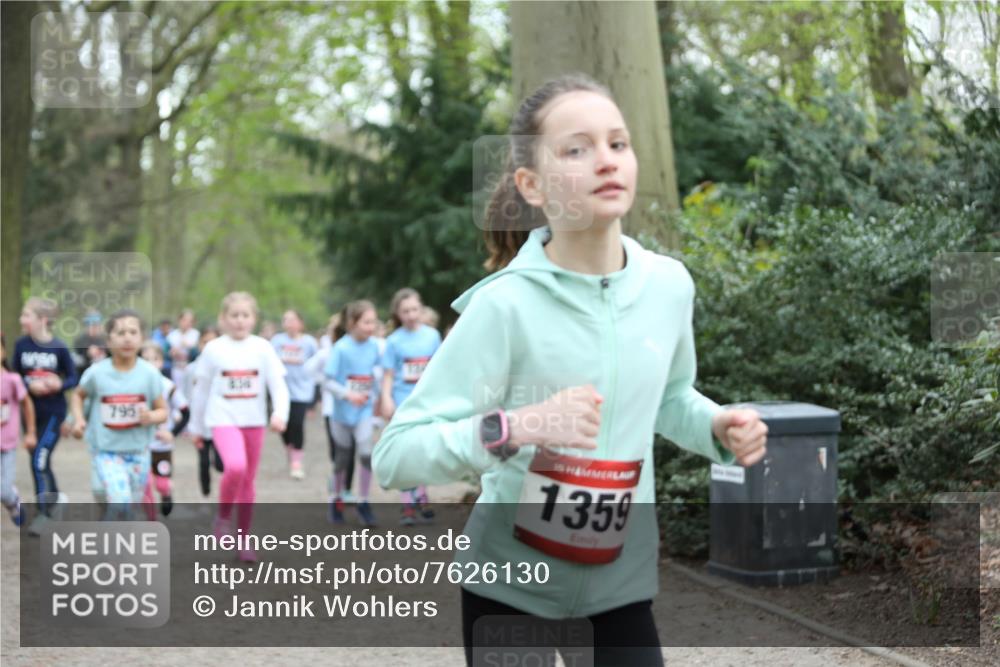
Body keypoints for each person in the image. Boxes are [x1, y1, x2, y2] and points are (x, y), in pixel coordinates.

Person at [371, 74, 768, 666]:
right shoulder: (502, 305)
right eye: (576, 149)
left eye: (618, 143)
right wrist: (516, 428)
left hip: (618, 587)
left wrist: (716, 426)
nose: (606, 160)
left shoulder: (669, 286)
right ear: (532, 185)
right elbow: (395, 456)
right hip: (507, 584)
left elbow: (669, 398)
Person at [188, 292, 289, 562]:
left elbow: (278, 385)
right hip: (222, 418)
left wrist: (280, 414)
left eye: (245, 315)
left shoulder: (263, 348)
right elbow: (201, 391)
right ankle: (222, 518)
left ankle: (243, 540)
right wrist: (195, 427)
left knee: (248, 483)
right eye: (234, 315)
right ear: (223, 319)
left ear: (254, 319)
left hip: (253, 421)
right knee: (235, 466)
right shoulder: (214, 349)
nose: (240, 321)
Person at [70, 310, 168, 520]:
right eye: (120, 332)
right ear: (109, 340)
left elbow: (163, 411)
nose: (127, 337)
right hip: (106, 451)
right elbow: (78, 396)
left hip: (139, 452)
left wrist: (151, 416)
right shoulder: (97, 373)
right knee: (120, 500)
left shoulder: (149, 374)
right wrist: (78, 420)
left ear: (142, 339)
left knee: (128, 508)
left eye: (133, 332)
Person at [13, 297, 79, 534]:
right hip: (30, 415)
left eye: (26, 315)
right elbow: (14, 376)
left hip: (53, 413)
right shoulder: (21, 345)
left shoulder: (59, 348)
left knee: (38, 460)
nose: (22, 319)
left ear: (42, 320)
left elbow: (74, 378)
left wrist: (57, 383)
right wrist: (28, 387)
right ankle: (56, 500)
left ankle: (44, 514)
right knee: (40, 462)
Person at [379, 288, 441, 525]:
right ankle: (407, 504)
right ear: (398, 313)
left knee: (423, 450)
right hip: (402, 401)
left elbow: (439, 369)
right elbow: (388, 374)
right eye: (405, 311)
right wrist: (386, 399)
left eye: (415, 309)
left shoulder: (432, 336)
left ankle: (422, 496)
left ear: (421, 308)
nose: (411, 315)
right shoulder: (394, 341)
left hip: (426, 402)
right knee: (404, 452)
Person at [324, 300, 380, 527]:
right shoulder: (341, 348)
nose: (371, 327)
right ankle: (336, 499)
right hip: (341, 415)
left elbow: (375, 376)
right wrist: (347, 394)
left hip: (364, 411)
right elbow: (327, 381)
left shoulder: (375, 346)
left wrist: (376, 405)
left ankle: (364, 501)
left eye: (373, 322)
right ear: (352, 323)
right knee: (342, 459)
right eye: (366, 322)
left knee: (366, 454)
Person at [139, 341, 188, 518]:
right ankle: (151, 524)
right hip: (141, 446)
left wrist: (172, 433)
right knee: (144, 487)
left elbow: (185, 412)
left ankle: (167, 493)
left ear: (161, 362)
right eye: (145, 359)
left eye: (155, 359)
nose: (150, 363)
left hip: (162, 447)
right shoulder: (133, 385)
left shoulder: (168, 386)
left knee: (161, 484)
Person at [270, 309, 318, 479]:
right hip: (281, 390)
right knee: (283, 427)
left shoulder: (309, 342)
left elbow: (316, 363)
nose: (289, 323)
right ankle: (290, 449)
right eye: (285, 319)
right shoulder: (277, 341)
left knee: (297, 424)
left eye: (292, 319)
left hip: (302, 391)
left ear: (300, 323)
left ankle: (297, 461)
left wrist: (315, 396)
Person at [1, 334, 35, 525]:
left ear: (3, 352)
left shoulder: (12, 379)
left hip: (7, 444)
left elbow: (27, 404)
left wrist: (30, 432)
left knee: (3, 490)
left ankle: (13, 500)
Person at [185, 326, 223, 496]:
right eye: (205, 342)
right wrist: (192, 426)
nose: (209, 346)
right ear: (199, 344)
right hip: (200, 421)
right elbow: (187, 396)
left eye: (213, 342)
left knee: (222, 461)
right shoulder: (191, 369)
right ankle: (206, 491)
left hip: (219, 421)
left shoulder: (224, 367)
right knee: (203, 460)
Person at [167, 309, 199, 394]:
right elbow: (166, 354)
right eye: (184, 320)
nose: (187, 323)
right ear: (179, 320)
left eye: (190, 321)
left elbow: (197, 353)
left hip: (191, 368)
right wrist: (171, 353)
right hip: (176, 368)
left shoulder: (196, 335)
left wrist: (189, 347)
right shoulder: (172, 335)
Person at [72, 310, 108, 376]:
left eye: (96, 325)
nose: (93, 328)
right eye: (89, 325)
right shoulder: (80, 340)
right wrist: (87, 354)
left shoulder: (106, 340)